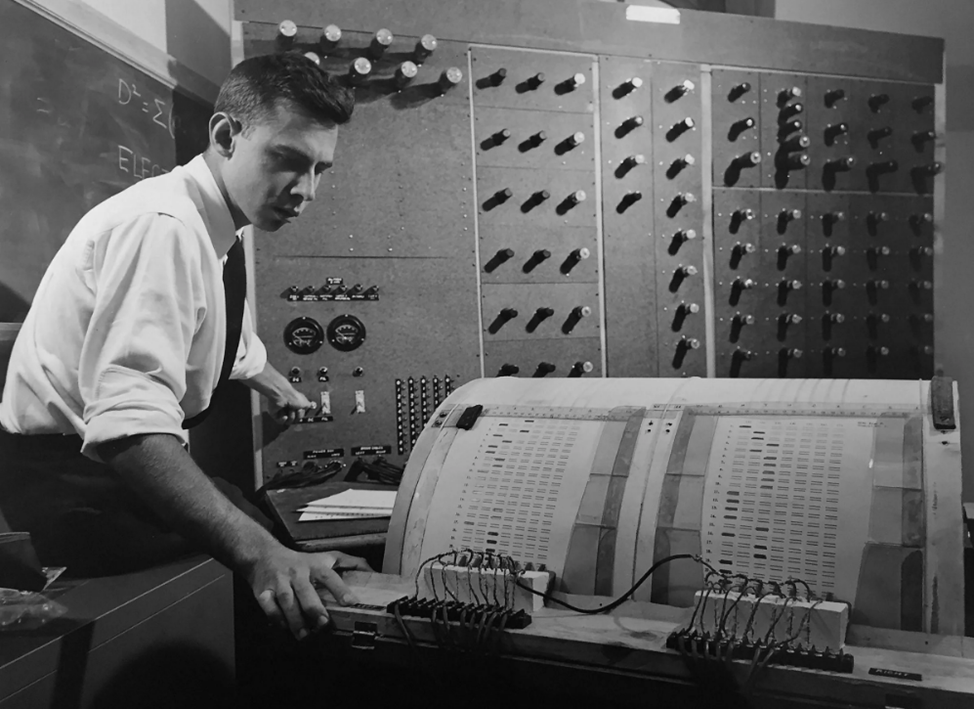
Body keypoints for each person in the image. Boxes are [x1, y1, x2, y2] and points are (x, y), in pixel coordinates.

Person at [0, 52, 369, 640]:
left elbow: (223, 338)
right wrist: (261, 556)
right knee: (283, 593)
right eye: (287, 160)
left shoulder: (213, 226)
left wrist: (276, 386)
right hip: (74, 498)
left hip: (104, 482)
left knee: (280, 539)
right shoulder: (164, 226)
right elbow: (128, 429)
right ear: (225, 136)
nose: (307, 191)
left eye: (321, 169)